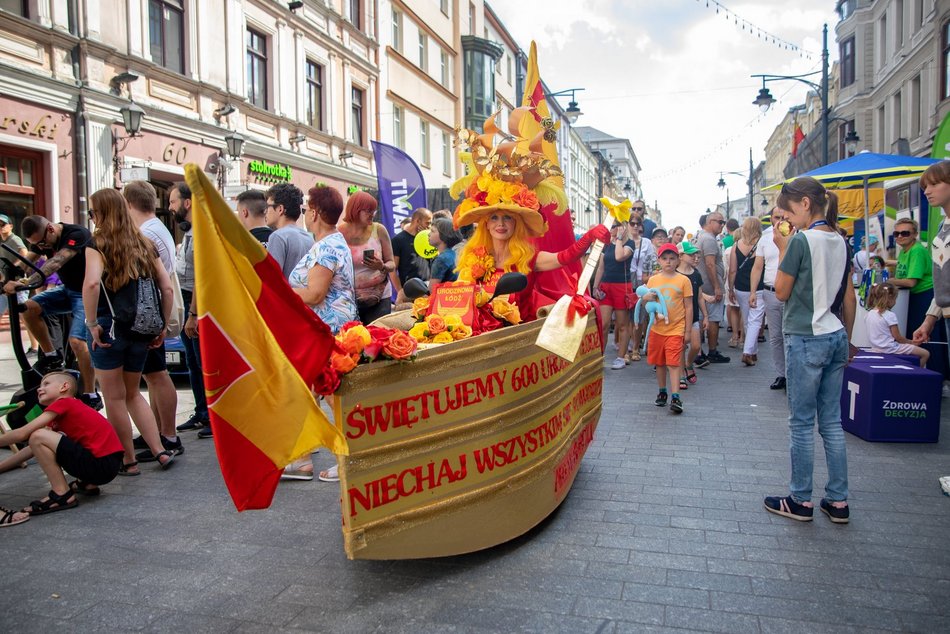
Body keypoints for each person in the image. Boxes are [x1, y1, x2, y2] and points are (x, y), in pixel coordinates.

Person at [764, 176, 851, 524]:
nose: (785, 218)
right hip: (835, 333)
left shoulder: (801, 241)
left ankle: (800, 499)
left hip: (805, 335)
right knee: (831, 422)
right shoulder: (839, 239)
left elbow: (781, 291)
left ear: (804, 204)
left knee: (801, 423)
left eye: (787, 210)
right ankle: (838, 500)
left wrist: (783, 247)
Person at [82, 188, 175, 474]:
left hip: (111, 329)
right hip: (143, 329)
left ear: (101, 213)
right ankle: (159, 450)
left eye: (92, 212)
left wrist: (91, 323)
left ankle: (129, 460)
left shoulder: (98, 243)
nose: (91, 217)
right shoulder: (145, 243)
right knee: (134, 393)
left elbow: (92, 284)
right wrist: (161, 325)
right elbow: (167, 287)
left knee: (114, 397)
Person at [287, 185, 358, 483]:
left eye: (306, 209)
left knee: (331, 397)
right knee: (310, 394)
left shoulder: (328, 246)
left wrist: (280, 292)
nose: (304, 214)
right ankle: (303, 459)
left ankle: (348, 460)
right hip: (324, 330)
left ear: (314, 212)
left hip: (327, 331)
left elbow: (315, 293)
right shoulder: (331, 243)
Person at [2, 216, 101, 408]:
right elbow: (26, 262)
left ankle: (91, 393)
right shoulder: (41, 241)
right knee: (28, 308)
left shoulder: (76, 234)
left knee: (77, 342)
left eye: (41, 242)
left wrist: (26, 283)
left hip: (85, 293)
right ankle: (51, 355)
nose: (41, 246)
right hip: (68, 290)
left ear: (50, 229)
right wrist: (10, 276)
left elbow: (56, 262)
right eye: (36, 244)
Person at [0, 371, 124, 513]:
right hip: (108, 467)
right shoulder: (69, 409)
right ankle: (88, 484)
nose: (39, 389)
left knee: (38, 435)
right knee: (40, 437)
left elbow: (23, 433)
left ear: (64, 387)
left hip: (101, 465)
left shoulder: (64, 403)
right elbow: (32, 449)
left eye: (46, 384)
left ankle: (61, 494)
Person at [122, 181, 183, 461]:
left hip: (150, 313)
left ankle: (168, 435)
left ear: (128, 204)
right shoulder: (156, 228)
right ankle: (160, 432)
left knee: (157, 375)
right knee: (153, 375)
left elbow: (161, 281)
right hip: (154, 311)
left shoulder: (147, 233)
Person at [170, 182, 209, 435]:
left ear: (187, 203)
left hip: (195, 302)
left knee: (201, 362)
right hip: (187, 300)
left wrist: (193, 314)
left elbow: (200, 277)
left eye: (172, 202)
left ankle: (209, 415)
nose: (169, 207)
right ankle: (201, 412)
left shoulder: (200, 233)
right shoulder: (189, 232)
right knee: (194, 362)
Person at [913, 162, 950, 382]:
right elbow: (941, 281)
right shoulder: (941, 227)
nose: (927, 191)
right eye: (925, 186)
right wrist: (928, 321)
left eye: (934, 184)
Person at [647, 243, 692, 414]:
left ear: (678, 260)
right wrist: (646, 298)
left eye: (672, 258)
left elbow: (688, 306)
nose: (668, 262)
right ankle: (662, 391)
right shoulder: (653, 280)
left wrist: (687, 330)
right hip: (657, 329)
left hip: (676, 328)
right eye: (664, 258)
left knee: (673, 363)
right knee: (659, 362)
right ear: (659, 260)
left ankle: (676, 397)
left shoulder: (683, 280)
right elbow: (647, 302)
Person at [338, 191, 395, 324]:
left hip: (379, 298)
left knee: (377, 338)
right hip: (349, 299)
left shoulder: (379, 229)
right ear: (355, 210)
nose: (372, 214)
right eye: (368, 211)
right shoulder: (339, 232)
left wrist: (381, 266)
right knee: (352, 339)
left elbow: (392, 263)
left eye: (373, 211)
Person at [593, 221, 636, 370]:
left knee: (622, 324)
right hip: (606, 286)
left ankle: (621, 357)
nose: (611, 229)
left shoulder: (629, 243)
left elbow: (619, 257)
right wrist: (595, 286)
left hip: (622, 287)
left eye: (614, 226)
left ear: (622, 227)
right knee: (603, 324)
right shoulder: (606, 244)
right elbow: (601, 267)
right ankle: (600, 357)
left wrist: (618, 239)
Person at [694, 211, 730, 365]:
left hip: (704, 285)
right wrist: (716, 286)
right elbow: (710, 264)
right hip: (709, 286)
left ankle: (700, 352)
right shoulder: (708, 239)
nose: (722, 225)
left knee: (703, 319)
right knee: (713, 319)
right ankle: (711, 351)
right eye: (719, 222)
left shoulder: (704, 237)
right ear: (709, 222)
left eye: (723, 222)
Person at [730, 217, 766, 367]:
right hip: (758, 287)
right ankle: (747, 352)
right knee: (755, 321)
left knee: (747, 319)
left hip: (740, 287)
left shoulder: (736, 245)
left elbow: (732, 270)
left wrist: (730, 288)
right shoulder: (762, 244)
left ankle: (753, 352)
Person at [0, 214, 38, 353]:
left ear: (10, 226)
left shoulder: (14, 239)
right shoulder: (2, 242)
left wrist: (13, 267)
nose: (0, 228)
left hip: (17, 283)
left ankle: (35, 347)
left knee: (24, 315)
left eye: (2, 224)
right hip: (5, 284)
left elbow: (24, 252)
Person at [866, 283, 929, 367]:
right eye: (895, 299)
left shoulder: (869, 313)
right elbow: (898, 338)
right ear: (890, 298)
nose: (895, 302)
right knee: (925, 354)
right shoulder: (889, 315)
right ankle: (917, 376)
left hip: (875, 348)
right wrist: (912, 342)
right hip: (890, 349)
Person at [760, 207, 787, 390]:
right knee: (776, 336)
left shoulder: (796, 235)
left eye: (782, 217)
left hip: (790, 293)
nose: (779, 221)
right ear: (771, 218)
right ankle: (781, 374)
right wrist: (754, 292)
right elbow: (757, 266)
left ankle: (792, 374)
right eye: (776, 217)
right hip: (770, 291)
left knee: (790, 335)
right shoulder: (766, 237)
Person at [264, 183, 314, 279]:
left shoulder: (278, 237)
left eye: (268, 206)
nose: (265, 211)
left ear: (280, 209)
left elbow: (272, 278)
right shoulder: (309, 238)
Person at [676, 241, 706, 389]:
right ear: (681, 256)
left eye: (696, 254)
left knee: (695, 346)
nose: (694, 257)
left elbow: (700, 296)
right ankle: (681, 374)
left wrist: (705, 315)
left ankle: (689, 364)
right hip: (678, 316)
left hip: (693, 315)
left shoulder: (696, 274)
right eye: (691, 254)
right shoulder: (674, 274)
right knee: (681, 346)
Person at [627, 215, 656, 361]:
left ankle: (636, 348)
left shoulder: (646, 243)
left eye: (638, 224)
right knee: (626, 318)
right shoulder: (624, 241)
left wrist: (652, 279)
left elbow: (652, 262)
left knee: (639, 316)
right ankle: (626, 348)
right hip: (626, 281)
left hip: (643, 282)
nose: (635, 226)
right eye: (632, 223)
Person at [390, 208, 432, 302]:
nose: (429, 227)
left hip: (427, 290)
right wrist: (400, 290)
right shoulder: (398, 240)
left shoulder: (429, 239)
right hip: (409, 291)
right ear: (418, 221)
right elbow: (392, 269)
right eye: (427, 223)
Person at [427, 217, 462, 285]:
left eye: (432, 231)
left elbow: (432, 290)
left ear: (444, 235)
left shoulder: (441, 259)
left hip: (446, 295)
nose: (429, 234)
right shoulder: (456, 253)